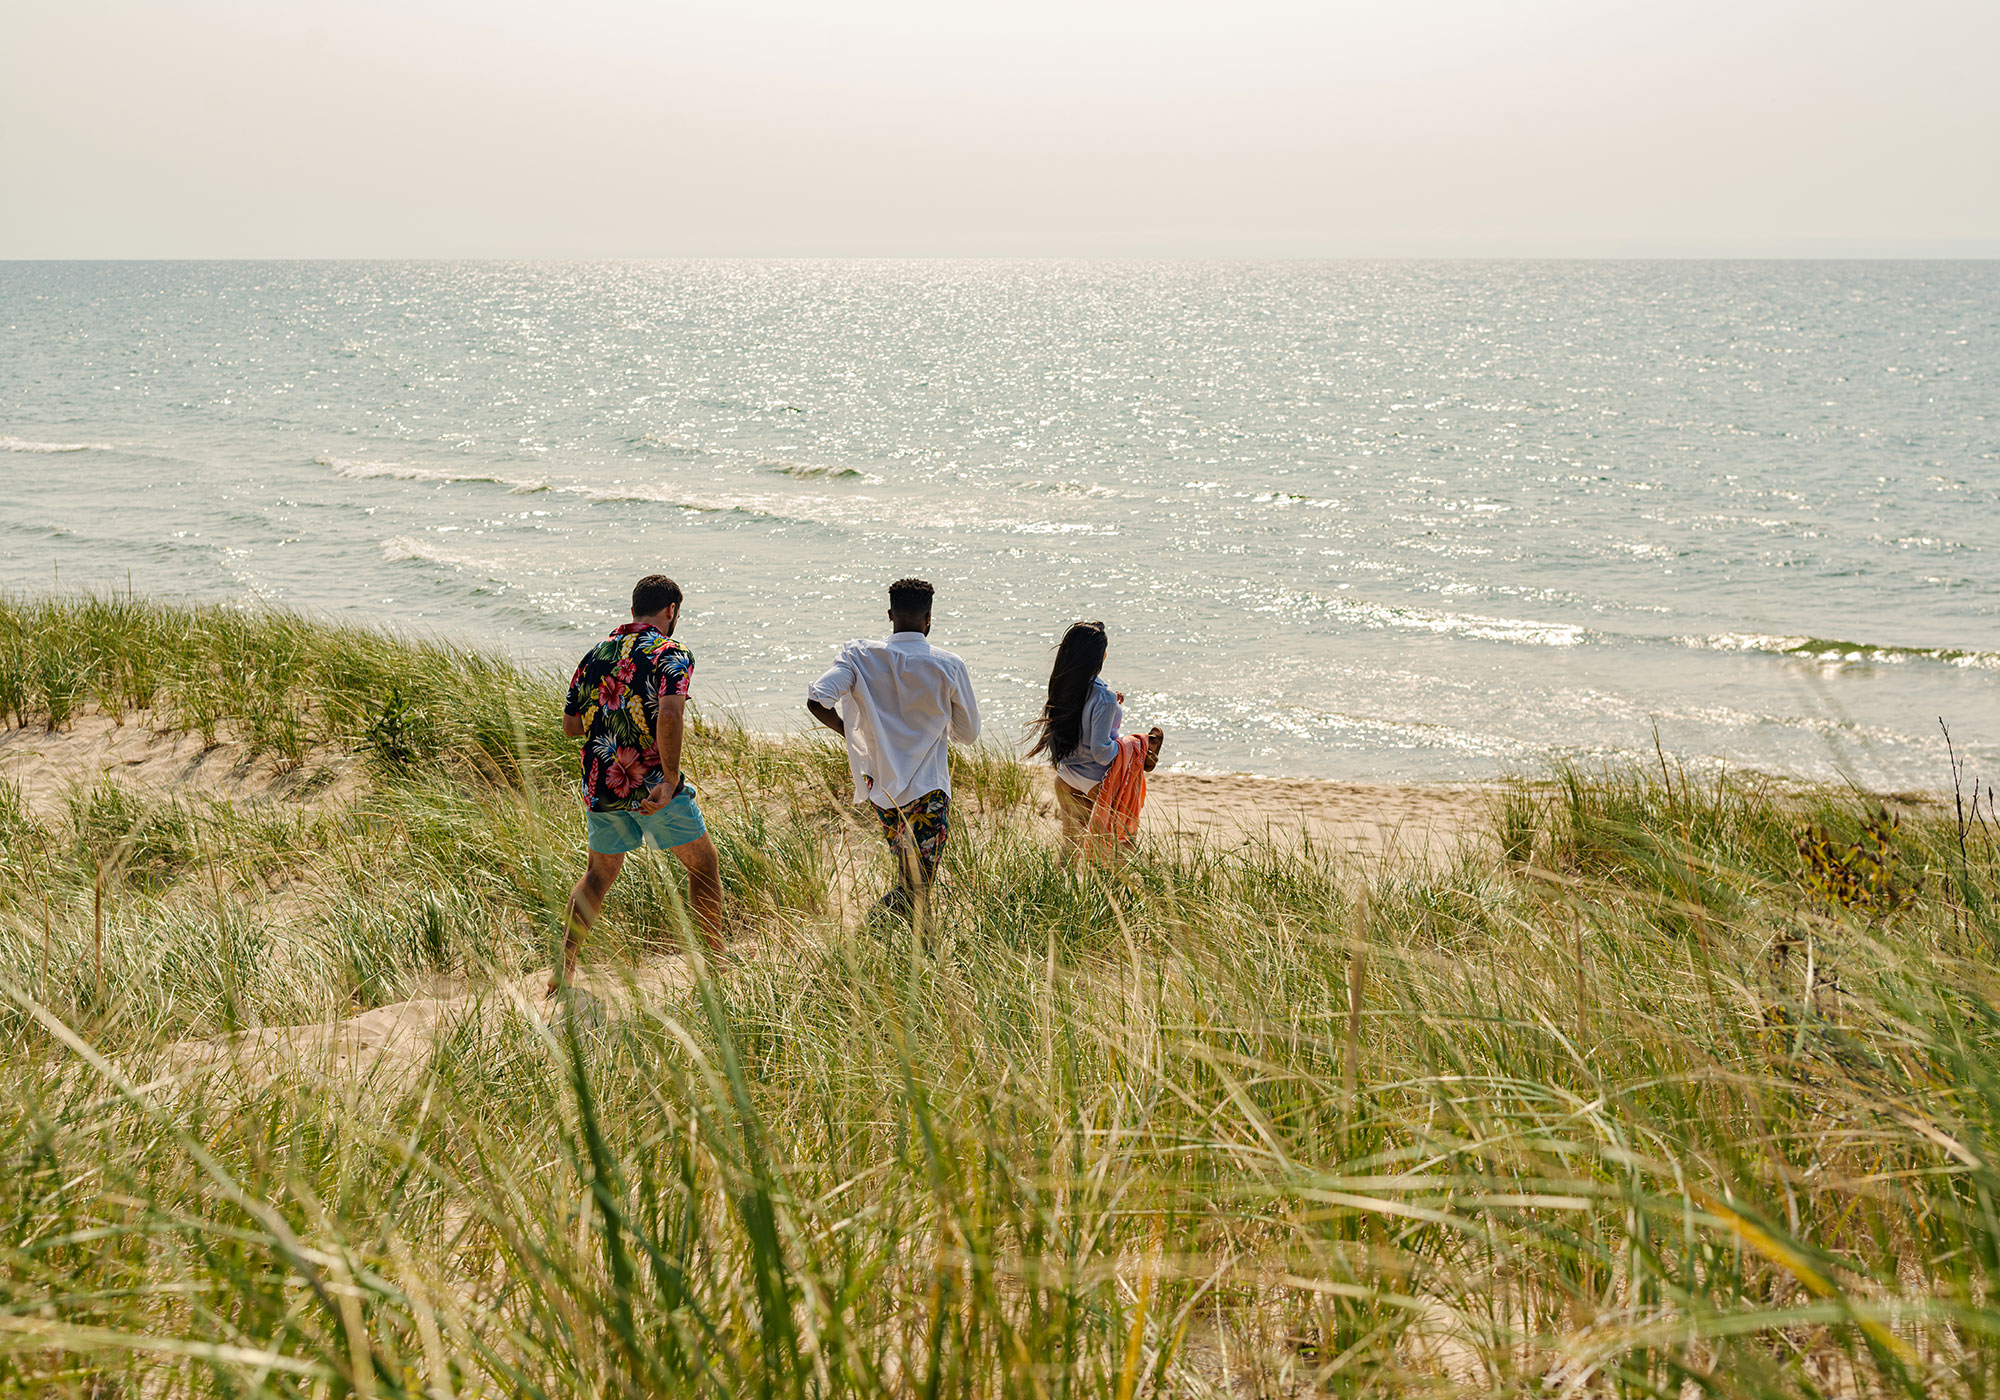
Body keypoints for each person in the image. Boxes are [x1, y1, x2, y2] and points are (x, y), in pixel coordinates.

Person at [553, 573, 725, 996]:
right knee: (702, 866)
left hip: (603, 787)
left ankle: (563, 970)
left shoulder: (595, 655)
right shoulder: (672, 652)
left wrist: (612, 721)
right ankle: (718, 968)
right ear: (671, 611)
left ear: (633, 610)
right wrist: (669, 780)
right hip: (652, 789)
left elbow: (571, 726)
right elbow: (670, 713)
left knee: (597, 875)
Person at [807, 578, 981, 920]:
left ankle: (917, 947)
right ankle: (873, 931)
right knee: (917, 885)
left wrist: (851, 734)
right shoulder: (949, 665)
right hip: (928, 791)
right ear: (929, 618)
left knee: (911, 878)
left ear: (890, 614)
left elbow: (818, 699)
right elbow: (968, 733)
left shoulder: (859, 656)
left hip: (882, 790)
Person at [1027, 621, 1164, 856]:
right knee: (1115, 849)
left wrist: (1110, 702)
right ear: (1101, 656)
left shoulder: (1065, 689)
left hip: (1067, 777)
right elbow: (1101, 753)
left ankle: (1060, 888)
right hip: (1096, 781)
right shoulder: (1104, 698)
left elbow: (1081, 721)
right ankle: (1146, 747)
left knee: (1071, 847)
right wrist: (1128, 745)